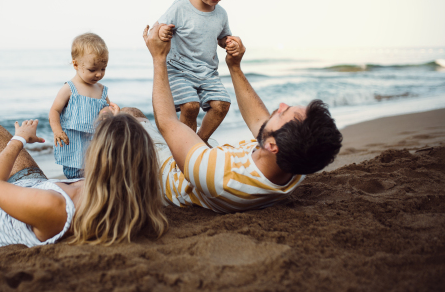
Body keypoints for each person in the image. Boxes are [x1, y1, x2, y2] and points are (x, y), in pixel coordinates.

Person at [140, 23, 343, 213]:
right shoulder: (297, 163)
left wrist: (159, 58)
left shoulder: (219, 177)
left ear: (272, 146)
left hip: (163, 173)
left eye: (283, 112)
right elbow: (259, 121)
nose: (280, 106)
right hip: (213, 155)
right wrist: (234, 66)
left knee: (132, 115)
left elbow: (167, 122)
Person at [0, 110, 168, 247]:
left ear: (101, 158)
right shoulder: (127, 193)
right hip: (33, 184)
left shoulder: (55, 208)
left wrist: (19, 139)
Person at [155, 0, 241, 145]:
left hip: (207, 73)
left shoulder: (221, 14)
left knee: (222, 105)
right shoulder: (180, 8)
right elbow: (159, 28)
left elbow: (221, 37)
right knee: (190, 106)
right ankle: (184, 146)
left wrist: (228, 42)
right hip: (179, 71)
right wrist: (162, 32)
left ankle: (199, 142)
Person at [49, 33, 112, 179]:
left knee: (98, 174)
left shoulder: (101, 89)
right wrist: (57, 130)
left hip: (96, 144)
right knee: (76, 177)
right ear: (76, 64)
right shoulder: (70, 88)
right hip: (74, 146)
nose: (98, 74)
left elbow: (108, 107)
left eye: (103, 69)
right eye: (92, 69)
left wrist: (106, 111)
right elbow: (55, 110)